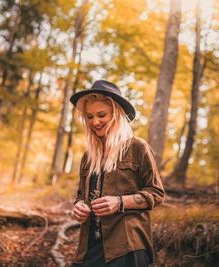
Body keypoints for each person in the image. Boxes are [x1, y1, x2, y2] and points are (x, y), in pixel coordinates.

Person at [69, 80, 165, 267]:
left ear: (117, 114)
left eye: (101, 115)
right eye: (89, 117)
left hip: (127, 247)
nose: (95, 122)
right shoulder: (88, 157)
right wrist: (79, 205)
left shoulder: (138, 147)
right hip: (89, 248)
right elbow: (81, 195)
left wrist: (120, 202)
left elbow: (157, 193)